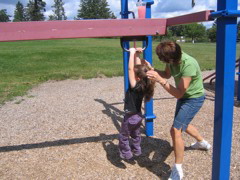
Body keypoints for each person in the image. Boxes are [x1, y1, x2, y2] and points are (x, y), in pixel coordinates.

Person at [146, 41, 211, 180]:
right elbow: (167, 74)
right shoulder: (171, 61)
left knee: (176, 130)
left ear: (171, 58)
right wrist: (153, 70)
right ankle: (202, 143)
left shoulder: (189, 64)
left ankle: (177, 170)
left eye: (162, 58)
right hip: (184, 98)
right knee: (182, 125)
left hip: (194, 99)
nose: (160, 59)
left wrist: (160, 81)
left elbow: (179, 93)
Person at [119, 47, 155, 160]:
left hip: (130, 116)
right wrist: (138, 55)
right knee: (135, 134)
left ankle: (126, 153)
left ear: (138, 78)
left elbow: (130, 69)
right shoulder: (146, 83)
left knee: (123, 136)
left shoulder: (135, 86)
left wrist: (132, 53)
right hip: (139, 116)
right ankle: (137, 149)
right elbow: (139, 69)